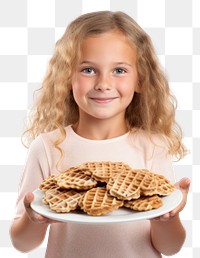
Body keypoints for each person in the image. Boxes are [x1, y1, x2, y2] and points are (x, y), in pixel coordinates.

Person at [10, 11, 190, 258]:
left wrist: (167, 218)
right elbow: (22, 243)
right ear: (66, 78)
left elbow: (169, 247)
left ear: (140, 80)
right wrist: (34, 220)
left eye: (119, 70)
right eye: (88, 70)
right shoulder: (48, 147)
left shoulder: (152, 145)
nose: (103, 83)